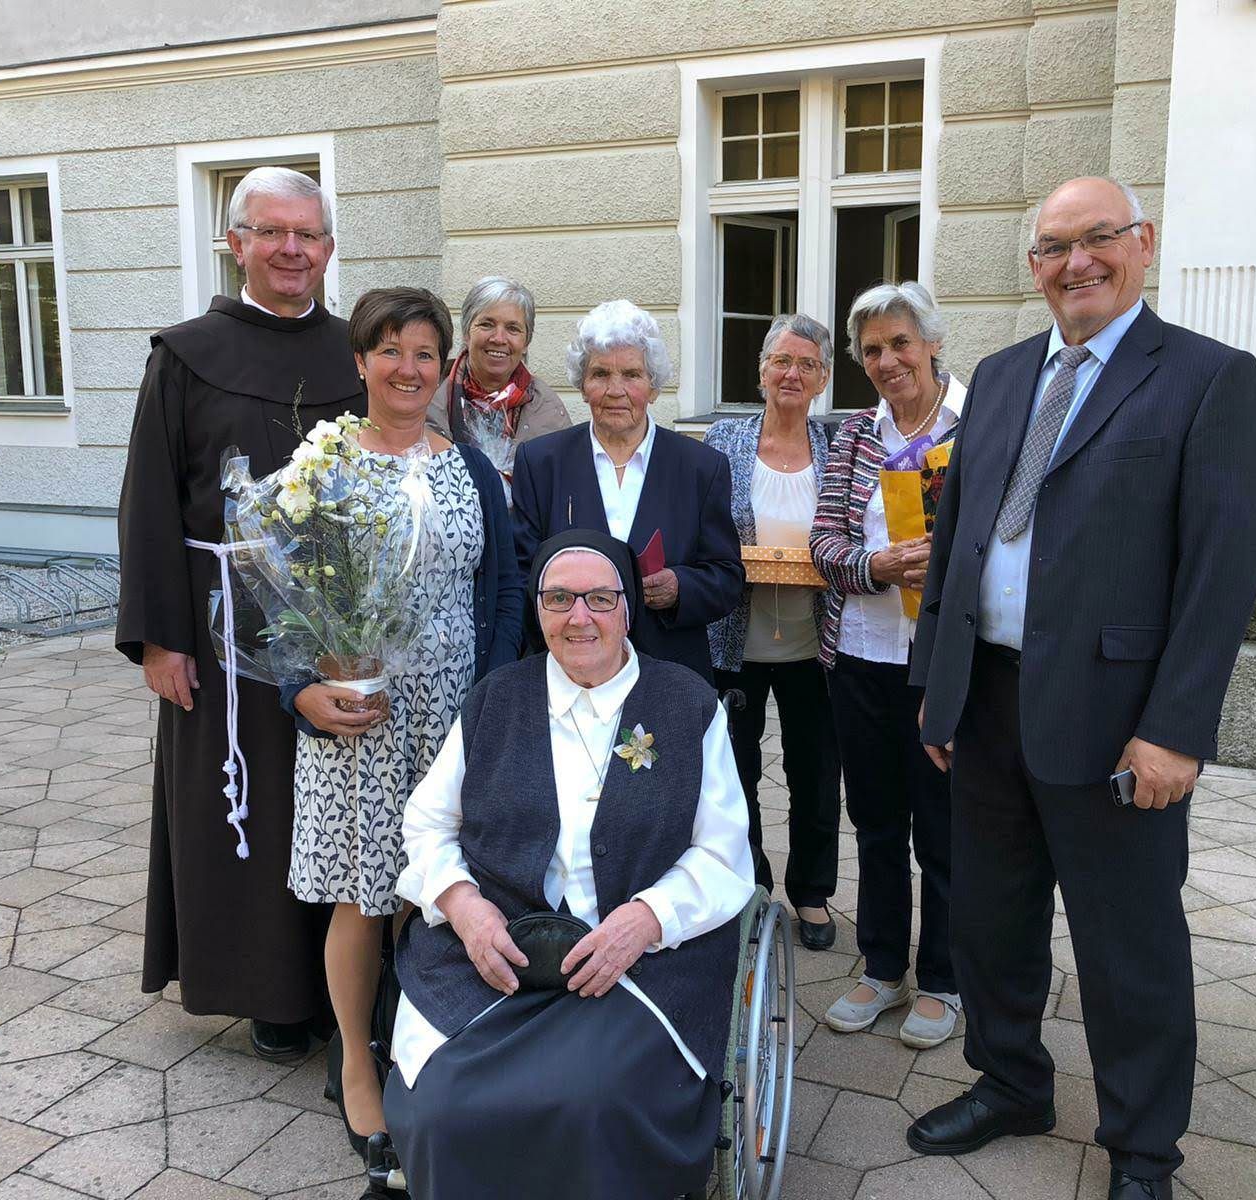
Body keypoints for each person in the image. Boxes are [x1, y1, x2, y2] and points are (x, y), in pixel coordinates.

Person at [905, 178, 1256, 1200]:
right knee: (990, 918)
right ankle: (1011, 1081)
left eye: (1097, 239)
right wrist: (940, 690)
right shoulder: (1002, 373)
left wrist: (1175, 730)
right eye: (1054, 248)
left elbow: (1219, 574)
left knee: (1129, 950)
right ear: (1034, 268)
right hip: (985, 705)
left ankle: (1143, 1150)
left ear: (1141, 244)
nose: (1076, 263)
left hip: (1118, 727)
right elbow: (959, 545)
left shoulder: (1208, 378)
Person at [383, 528, 755, 1199]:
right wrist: (463, 907)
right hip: (498, 952)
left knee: (590, 1103)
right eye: (559, 599)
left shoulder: (685, 703)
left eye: (600, 599)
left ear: (628, 609)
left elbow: (723, 849)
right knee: (443, 1110)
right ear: (538, 609)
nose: (579, 617)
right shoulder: (497, 698)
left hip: (639, 961)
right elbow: (429, 822)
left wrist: (646, 917)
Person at [280, 287, 525, 1182]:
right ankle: (355, 1061)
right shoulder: (321, 467)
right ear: (360, 362)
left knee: (437, 893)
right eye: (390, 351)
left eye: (426, 353)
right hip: (358, 720)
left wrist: (490, 700)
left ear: (444, 366)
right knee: (364, 895)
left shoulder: (468, 467)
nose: (409, 369)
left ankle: (423, 1049)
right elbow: (275, 603)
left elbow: (502, 590)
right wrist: (302, 693)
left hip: (453, 717)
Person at [116, 165, 357, 1062]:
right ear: (237, 243)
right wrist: (159, 639)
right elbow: (147, 502)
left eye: (308, 234)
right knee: (246, 809)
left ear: (328, 248)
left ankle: (348, 981)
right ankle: (270, 995)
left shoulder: (356, 353)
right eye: (272, 232)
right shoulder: (184, 356)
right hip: (219, 634)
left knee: (335, 800)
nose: (292, 250)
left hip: (341, 627)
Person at [809, 281, 968, 1050]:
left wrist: (939, 569)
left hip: (941, 662)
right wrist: (878, 565)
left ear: (932, 342)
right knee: (875, 822)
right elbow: (824, 547)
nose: (886, 360)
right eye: (871, 350)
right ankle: (880, 968)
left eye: (900, 343)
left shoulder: (975, 428)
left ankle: (943, 978)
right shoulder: (852, 437)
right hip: (863, 659)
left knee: (942, 826)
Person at [510, 299, 744, 681]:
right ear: (582, 386)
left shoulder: (701, 466)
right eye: (600, 373)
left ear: (653, 387)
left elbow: (727, 577)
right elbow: (521, 573)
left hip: (669, 672)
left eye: (632, 374)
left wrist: (679, 587)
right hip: (569, 672)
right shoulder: (541, 462)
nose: (615, 390)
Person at [704, 313, 841, 952]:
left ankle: (811, 893)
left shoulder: (841, 443)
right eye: (781, 361)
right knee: (736, 769)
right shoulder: (722, 441)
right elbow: (702, 529)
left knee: (817, 771)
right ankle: (750, 886)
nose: (792, 374)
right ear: (760, 371)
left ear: (823, 378)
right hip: (737, 640)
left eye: (806, 364)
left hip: (817, 644)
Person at [427, 275, 572, 496]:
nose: (499, 338)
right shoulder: (428, 398)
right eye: (487, 324)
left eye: (513, 329)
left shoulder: (550, 412)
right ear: (467, 333)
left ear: (526, 342)